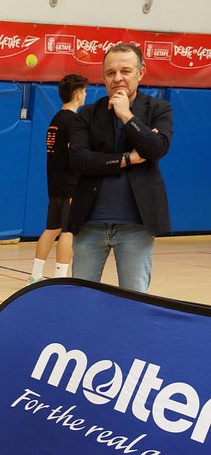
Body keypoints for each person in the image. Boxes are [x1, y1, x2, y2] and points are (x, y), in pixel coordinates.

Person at [68, 44, 172, 293]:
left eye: (125, 71)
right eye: (110, 72)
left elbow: (156, 149)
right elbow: (80, 160)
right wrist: (126, 159)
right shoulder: (87, 113)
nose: (117, 78)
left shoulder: (158, 109)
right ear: (103, 77)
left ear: (140, 73)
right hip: (89, 224)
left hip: (137, 227)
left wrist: (127, 116)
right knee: (81, 297)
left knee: (134, 299)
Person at [29, 73, 88, 284]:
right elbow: (75, 153)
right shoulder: (73, 121)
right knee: (68, 231)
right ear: (78, 94)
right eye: (84, 91)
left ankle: (35, 275)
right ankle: (61, 277)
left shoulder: (55, 119)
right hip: (71, 185)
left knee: (52, 228)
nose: (86, 95)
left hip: (54, 184)